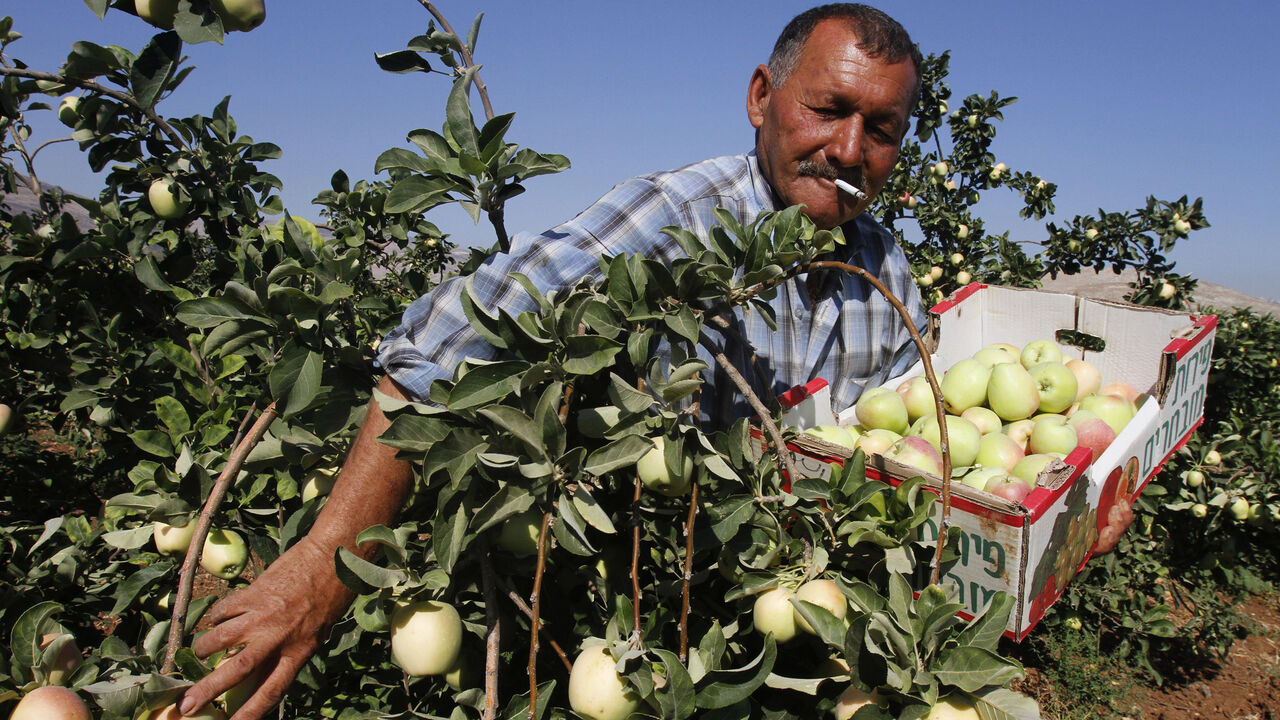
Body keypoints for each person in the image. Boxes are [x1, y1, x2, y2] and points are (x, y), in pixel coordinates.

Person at [180, 5, 926, 718]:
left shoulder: (885, 271)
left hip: (785, 617)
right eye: (828, 110)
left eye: (883, 128)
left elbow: (905, 442)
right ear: (762, 97)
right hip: (634, 616)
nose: (852, 150)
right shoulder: (677, 219)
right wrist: (325, 560)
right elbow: (437, 349)